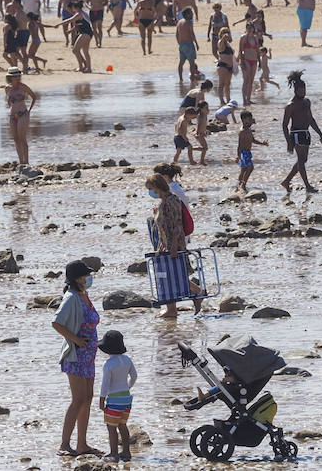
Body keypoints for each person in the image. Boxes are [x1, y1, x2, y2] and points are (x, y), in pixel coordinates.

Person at [52, 259, 102, 458]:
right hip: (76, 355)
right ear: (76, 278)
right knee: (78, 399)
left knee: (88, 398)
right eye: (85, 275)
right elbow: (56, 323)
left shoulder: (84, 294)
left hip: (88, 356)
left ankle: (82, 444)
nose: (88, 277)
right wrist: (75, 340)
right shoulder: (71, 297)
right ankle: (64, 444)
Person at [147, 172, 188, 319]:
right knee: (169, 277)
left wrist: (174, 245)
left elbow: (177, 224)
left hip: (173, 244)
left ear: (158, 187)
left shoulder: (172, 200)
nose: (151, 192)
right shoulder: (164, 201)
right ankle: (171, 309)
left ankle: (197, 294)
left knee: (175, 276)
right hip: (165, 244)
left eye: (151, 189)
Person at [280, 69, 322, 193]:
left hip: (305, 133)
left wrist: (321, 135)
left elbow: (311, 119)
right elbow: (284, 125)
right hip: (296, 133)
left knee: (303, 160)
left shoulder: (307, 102)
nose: (303, 92)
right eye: (301, 90)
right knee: (301, 159)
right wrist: (288, 142)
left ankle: (286, 181)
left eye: (304, 90)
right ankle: (307, 186)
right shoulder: (290, 105)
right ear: (295, 90)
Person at [98, 330, 137, 464]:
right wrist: (127, 387)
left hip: (114, 399)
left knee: (111, 427)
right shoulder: (127, 360)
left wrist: (102, 399)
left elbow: (105, 384)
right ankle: (126, 452)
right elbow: (134, 376)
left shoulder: (108, 364)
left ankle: (114, 454)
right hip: (126, 398)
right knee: (123, 425)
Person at [5, 68, 38, 166]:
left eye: (19, 76)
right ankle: (21, 162)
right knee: (15, 139)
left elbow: (34, 97)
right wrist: (9, 104)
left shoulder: (23, 87)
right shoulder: (7, 88)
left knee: (22, 138)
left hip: (23, 114)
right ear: (10, 77)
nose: (18, 78)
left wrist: (29, 111)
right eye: (15, 76)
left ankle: (26, 162)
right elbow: (9, 100)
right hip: (12, 115)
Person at [236, 110, 266, 193]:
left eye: (251, 119)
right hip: (244, 152)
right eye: (249, 119)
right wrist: (238, 156)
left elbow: (253, 140)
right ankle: (243, 185)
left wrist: (262, 143)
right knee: (250, 168)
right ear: (243, 120)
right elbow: (239, 145)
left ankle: (238, 185)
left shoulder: (248, 129)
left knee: (243, 170)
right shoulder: (242, 132)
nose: (251, 121)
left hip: (248, 152)